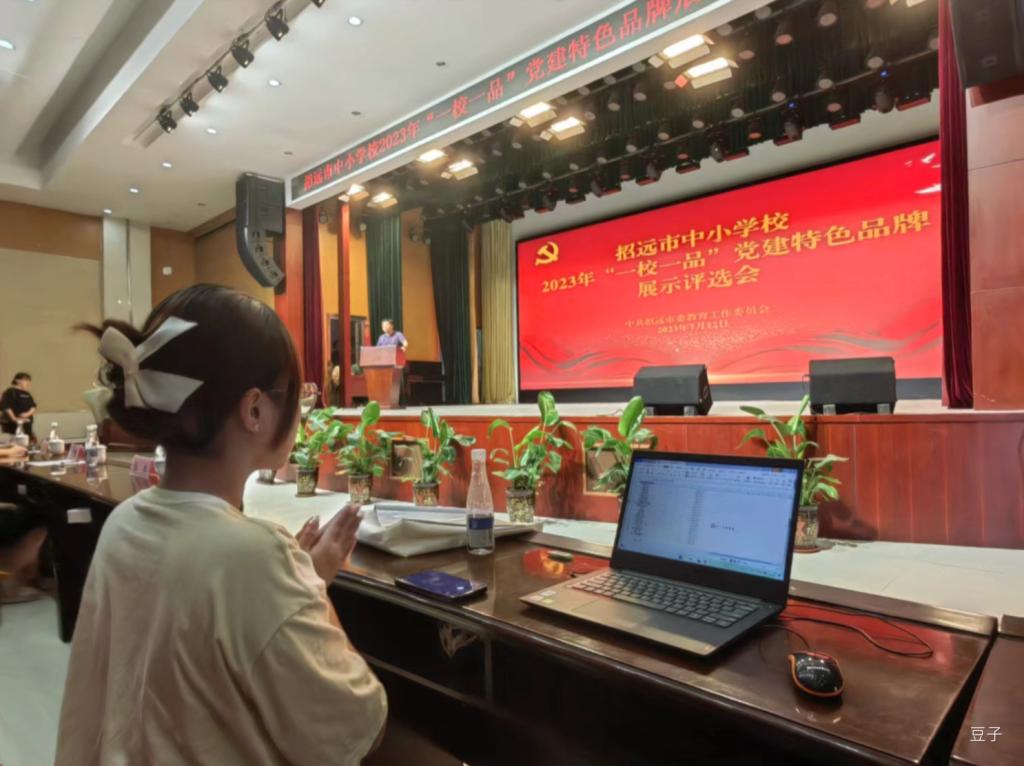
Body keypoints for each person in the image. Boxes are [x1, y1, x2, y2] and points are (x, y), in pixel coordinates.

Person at [56, 284, 386, 766]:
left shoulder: (124, 522)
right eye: (295, 395)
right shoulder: (255, 556)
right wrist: (307, 586)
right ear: (254, 410)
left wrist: (291, 580)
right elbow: (355, 723)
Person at [1, 372, 36, 440]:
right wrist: (14, 419)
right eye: (26, 380)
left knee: (27, 442)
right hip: (12, 425)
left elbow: (33, 406)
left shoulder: (27, 393)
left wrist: (26, 414)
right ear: (17, 380)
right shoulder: (10, 391)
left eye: (29, 381)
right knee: (14, 442)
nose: (28, 383)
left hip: (26, 424)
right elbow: (6, 406)